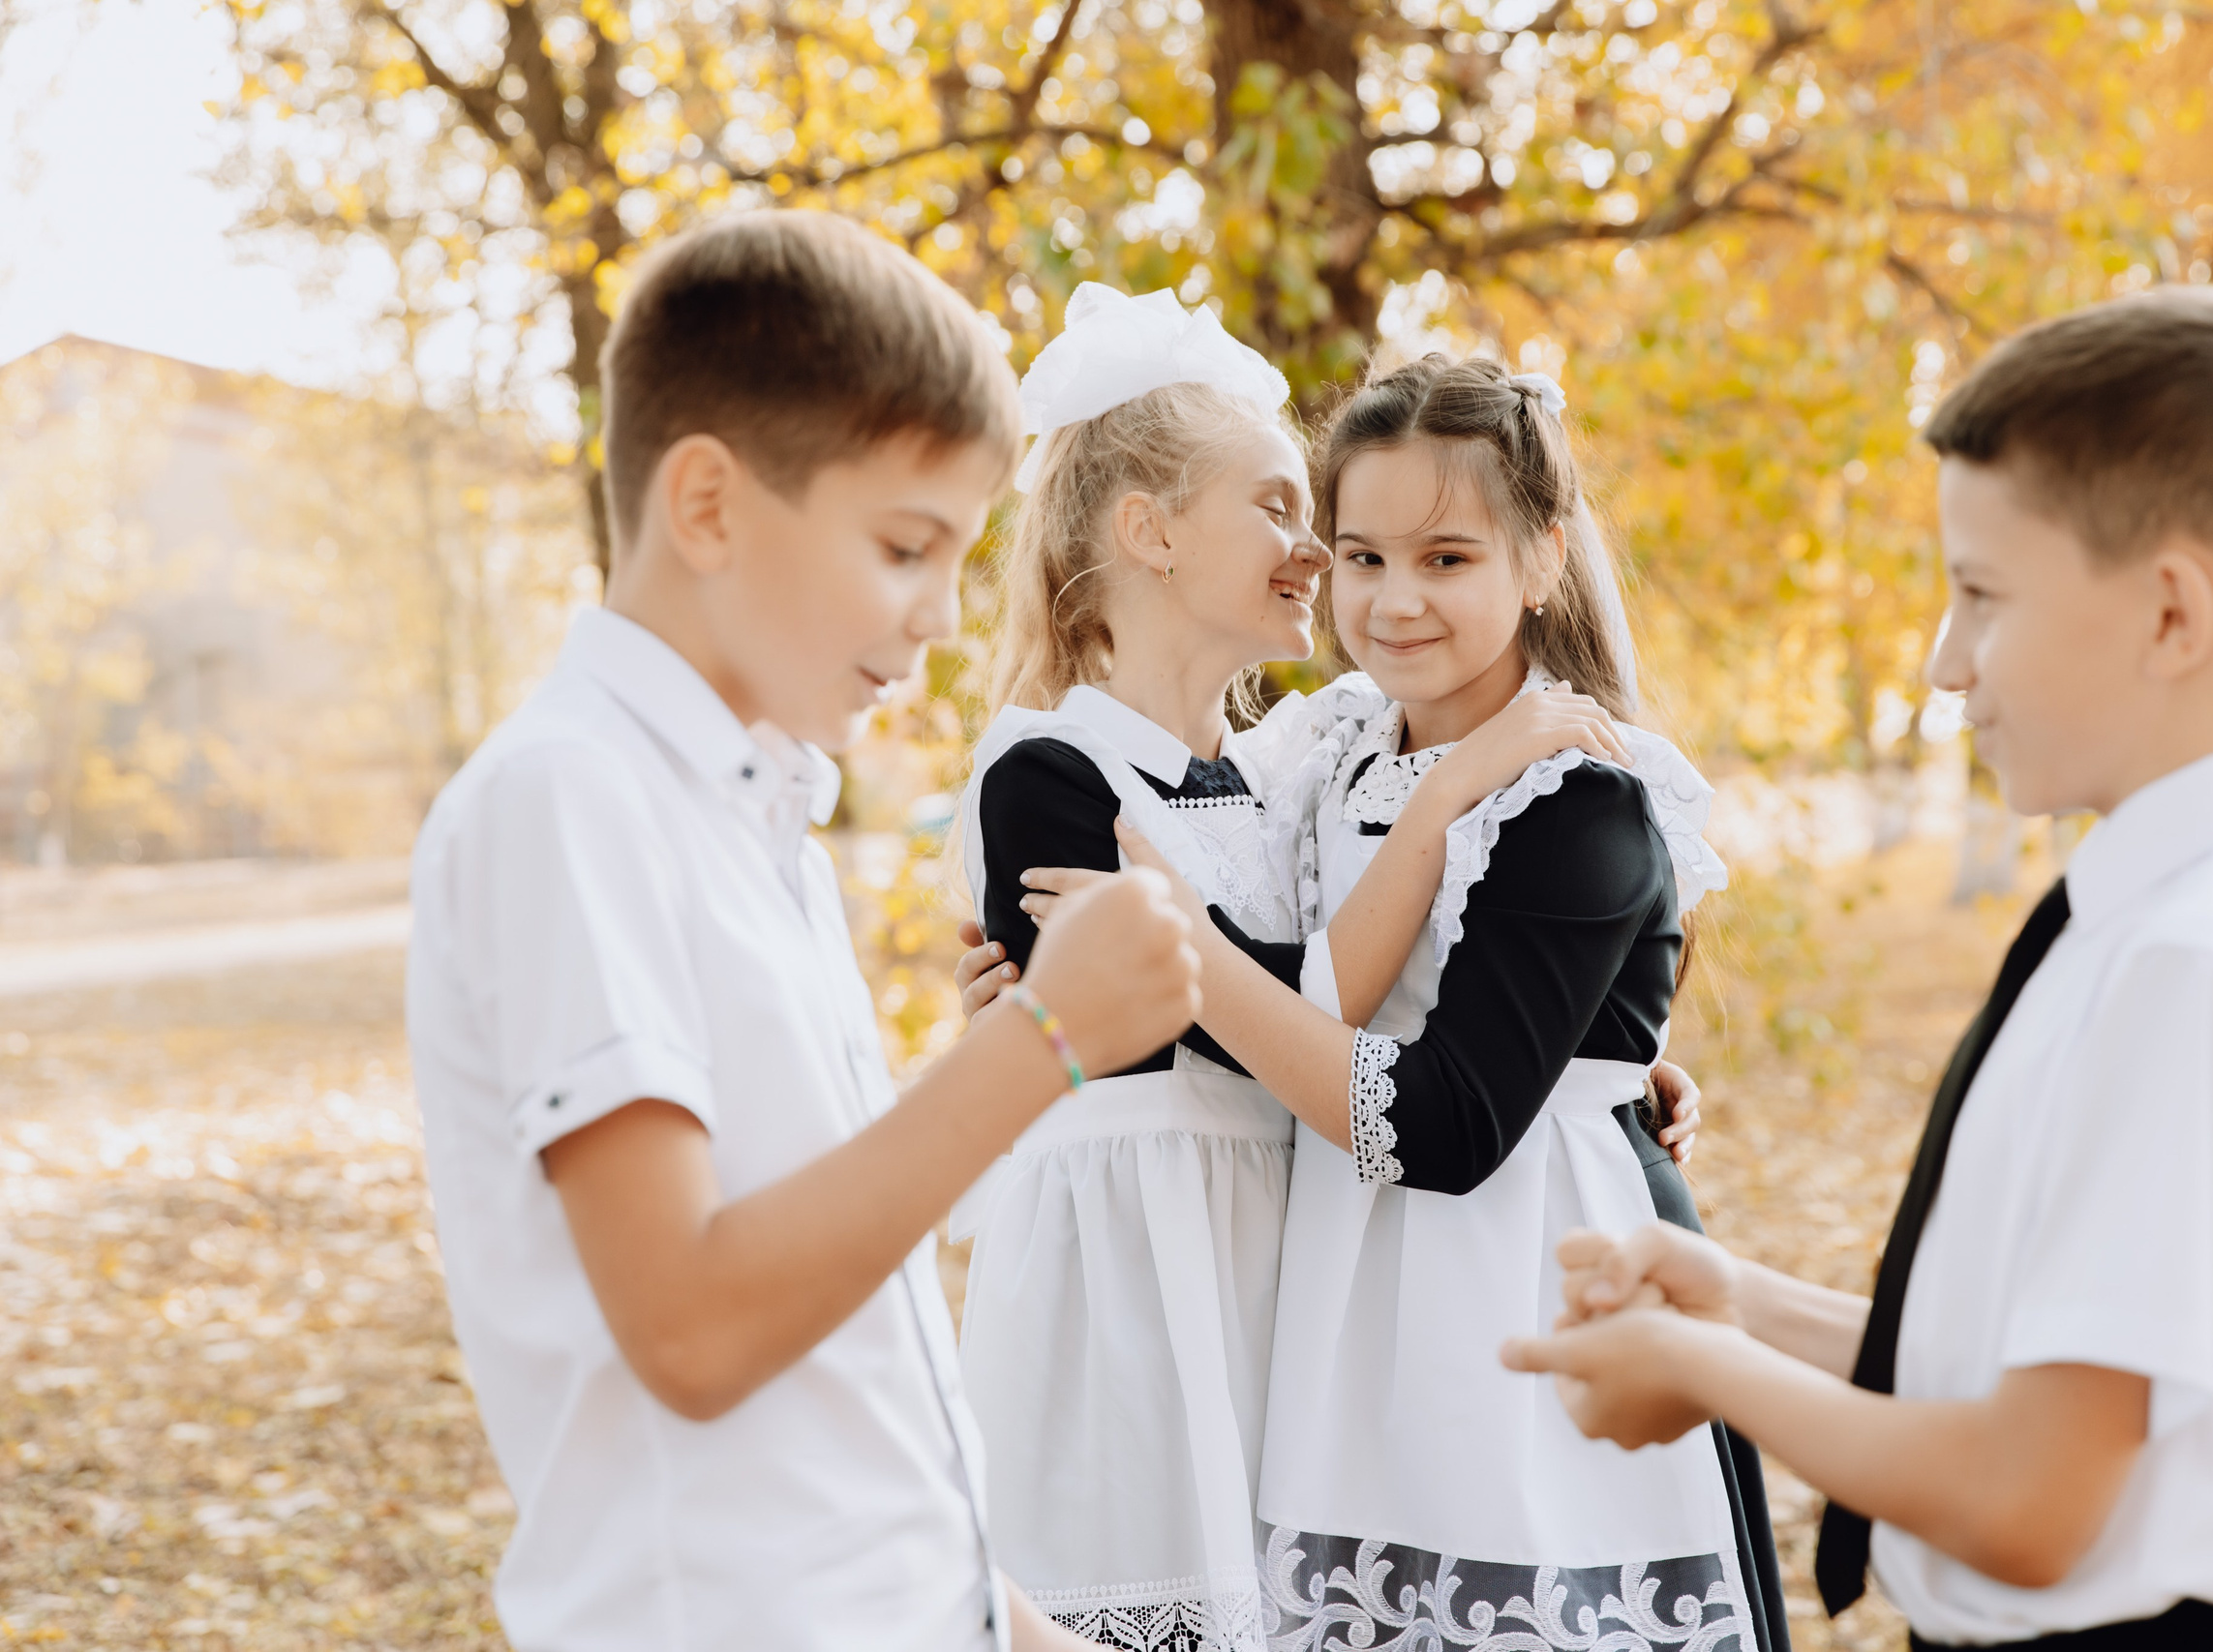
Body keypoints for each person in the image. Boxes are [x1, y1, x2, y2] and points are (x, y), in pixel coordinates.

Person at [1506, 285, 2213, 1652]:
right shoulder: (2211, 907)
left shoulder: (2192, 966)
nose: (1941, 664)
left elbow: (2028, 1500)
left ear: (2172, 615)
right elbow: (2045, 1378)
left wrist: (1709, 1371)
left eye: (1982, 595)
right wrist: (1746, 1305)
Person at [405, 212, 1203, 1652]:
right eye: (905, 546)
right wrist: (1048, 1041)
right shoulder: (570, 800)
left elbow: (849, 1384)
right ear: (708, 506)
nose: (942, 616)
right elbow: (695, 1327)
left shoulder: (754, 819)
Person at [1025, 353, 1787, 1649]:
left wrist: (1179, 953)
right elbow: (1241, 909)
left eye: (1447, 558)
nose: (1395, 600)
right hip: (1348, 1309)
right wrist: (1036, 974)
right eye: (1363, 557)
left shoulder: (1580, 797)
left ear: (1541, 561)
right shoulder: (1322, 752)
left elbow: (1442, 1125)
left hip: (1530, 1290)